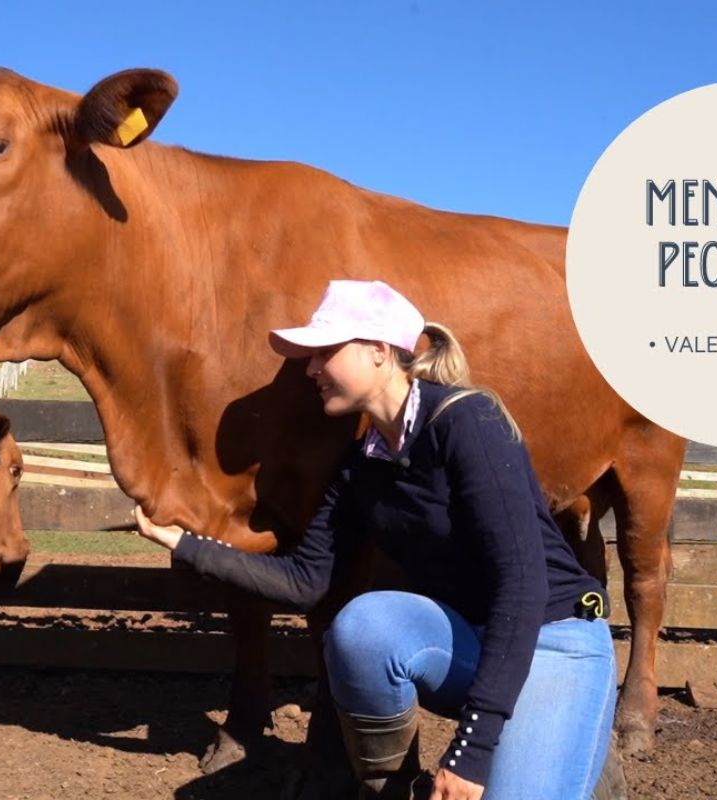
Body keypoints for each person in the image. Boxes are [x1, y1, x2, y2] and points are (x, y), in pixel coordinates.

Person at [135, 279, 617, 800]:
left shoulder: (467, 421)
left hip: (554, 640)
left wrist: (469, 751)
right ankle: (390, 790)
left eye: (325, 352)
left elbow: (522, 586)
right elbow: (304, 582)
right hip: (473, 645)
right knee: (363, 626)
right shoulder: (360, 468)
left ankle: (569, 731)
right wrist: (186, 544)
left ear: (380, 351)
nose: (312, 369)